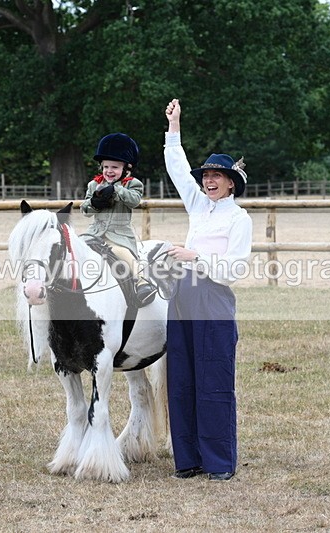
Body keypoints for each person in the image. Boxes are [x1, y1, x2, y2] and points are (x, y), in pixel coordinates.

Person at [162, 98, 253, 481]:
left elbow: (234, 269)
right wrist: (174, 127)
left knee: (213, 381)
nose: (208, 180)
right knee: (181, 379)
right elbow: (179, 170)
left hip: (213, 300)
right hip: (182, 297)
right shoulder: (198, 207)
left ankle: (218, 463)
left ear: (231, 182)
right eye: (207, 176)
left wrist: (194, 255)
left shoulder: (239, 218)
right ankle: (189, 460)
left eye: (217, 176)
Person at [81, 133, 155, 306]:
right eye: (106, 166)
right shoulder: (94, 185)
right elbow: (85, 210)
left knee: (124, 255)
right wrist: (95, 202)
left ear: (126, 169)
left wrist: (116, 190)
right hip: (94, 233)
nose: (109, 171)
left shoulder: (133, 184)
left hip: (119, 236)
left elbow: (134, 201)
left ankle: (142, 283)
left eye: (114, 167)